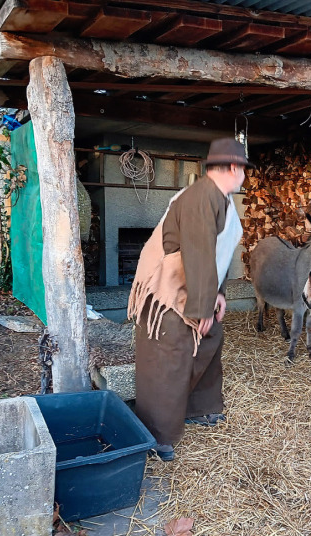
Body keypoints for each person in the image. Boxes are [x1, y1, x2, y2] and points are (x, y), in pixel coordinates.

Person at [128, 138, 252, 461]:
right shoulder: (200, 198)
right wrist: (201, 308)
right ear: (234, 168)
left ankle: (201, 407)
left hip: (196, 285)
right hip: (167, 291)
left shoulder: (220, 198)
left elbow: (218, 254)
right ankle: (159, 434)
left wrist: (219, 296)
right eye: (244, 170)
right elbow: (197, 254)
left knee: (211, 337)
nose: (245, 177)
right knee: (171, 351)